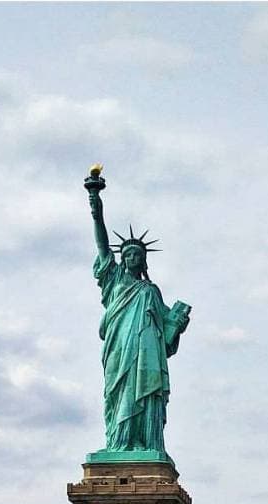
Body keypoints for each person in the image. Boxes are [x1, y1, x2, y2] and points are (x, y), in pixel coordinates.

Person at [86, 173, 190, 453]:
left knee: (144, 395)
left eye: (137, 255)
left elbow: (166, 336)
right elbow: (101, 244)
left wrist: (177, 323)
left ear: (143, 260)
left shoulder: (151, 291)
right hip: (119, 350)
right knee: (118, 394)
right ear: (122, 259)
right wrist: (96, 206)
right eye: (128, 254)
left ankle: (145, 442)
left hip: (147, 355)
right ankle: (119, 443)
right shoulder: (114, 280)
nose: (132, 257)